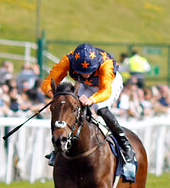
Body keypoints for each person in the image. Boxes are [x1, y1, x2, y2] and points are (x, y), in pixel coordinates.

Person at [41, 43, 137, 180]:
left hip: (108, 84)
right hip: (85, 86)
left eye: (89, 70)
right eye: (81, 71)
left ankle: (126, 147)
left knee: (101, 109)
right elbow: (47, 82)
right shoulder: (67, 60)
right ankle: (58, 148)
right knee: (69, 105)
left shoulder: (106, 64)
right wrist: (54, 95)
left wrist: (91, 100)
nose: (86, 74)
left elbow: (106, 91)